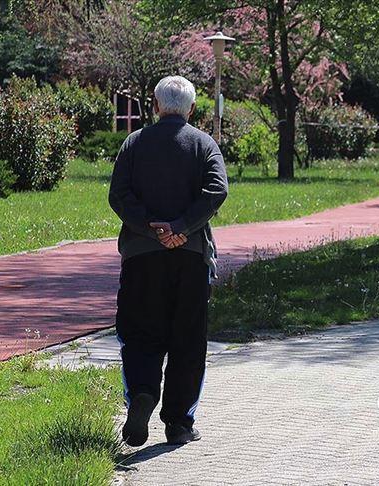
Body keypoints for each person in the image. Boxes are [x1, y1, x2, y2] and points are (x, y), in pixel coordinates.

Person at [109, 75, 228, 446]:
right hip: (191, 257)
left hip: (142, 258)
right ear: (192, 109)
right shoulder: (204, 144)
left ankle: (143, 393)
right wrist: (181, 227)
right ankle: (178, 422)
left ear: (156, 105)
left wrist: (151, 228)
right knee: (188, 340)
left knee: (140, 332)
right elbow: (217, 189)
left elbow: (119, 195)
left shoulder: (134, 143)